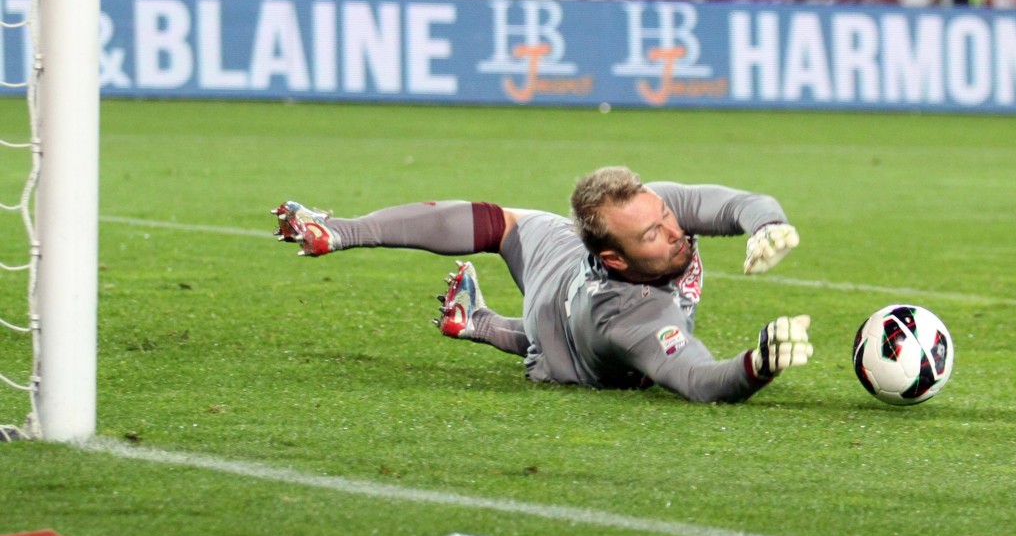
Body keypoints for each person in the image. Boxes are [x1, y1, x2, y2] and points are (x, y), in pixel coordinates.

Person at [271, 166, 812, 403]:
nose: (674, 229)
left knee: (505, 223)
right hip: (567, 349)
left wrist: (766, 225)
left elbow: (743, 203)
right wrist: (756, 365)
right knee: (560, 353)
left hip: (554, 272)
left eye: (666, 213)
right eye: (651, 233)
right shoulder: (635, 318)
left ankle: (344, 232)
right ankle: (481, 323)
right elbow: (698, 380)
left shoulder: (654, 211)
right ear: (614, 259)